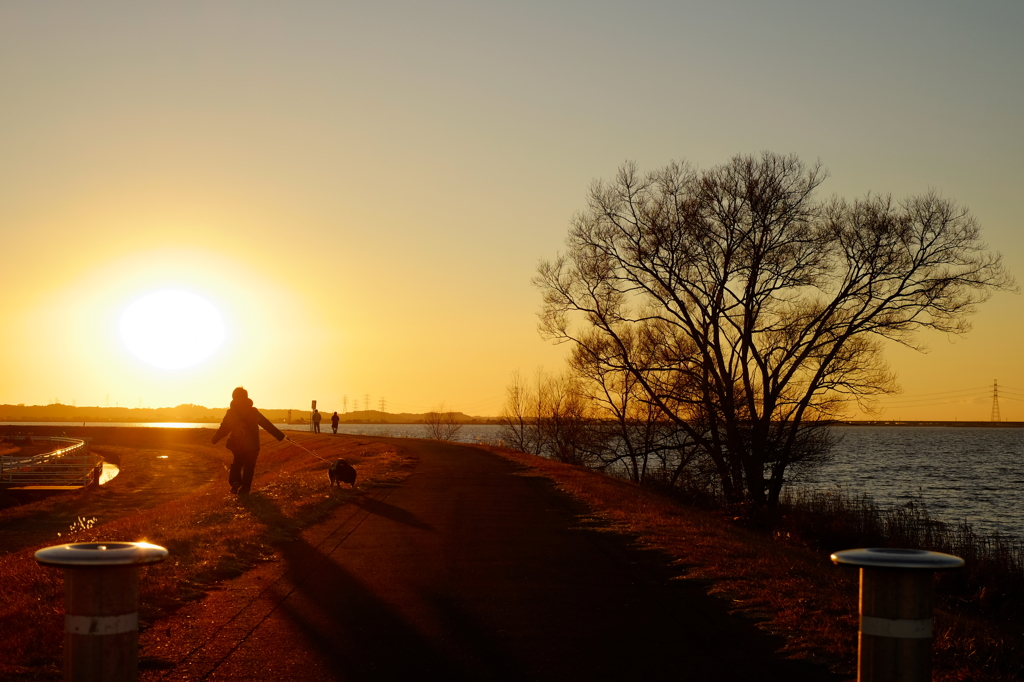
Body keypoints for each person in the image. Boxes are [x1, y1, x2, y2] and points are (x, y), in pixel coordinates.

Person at [212, 387, 285, 494]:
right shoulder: (253, 411)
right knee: (249, 467)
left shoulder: (231, 412)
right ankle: (245, 489)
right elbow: (267, 424)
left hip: (238, 444)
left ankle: (235, 482)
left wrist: (215, 438)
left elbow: (224, 428)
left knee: (237, 464)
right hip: (253, 445)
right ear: (246, 397)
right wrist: (280, 435)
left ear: (234, 397)